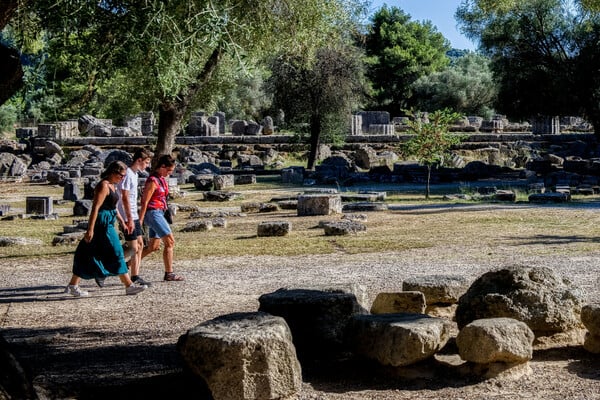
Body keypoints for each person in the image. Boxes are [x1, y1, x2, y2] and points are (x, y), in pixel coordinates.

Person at [66, 161, 148, 296]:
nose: (122, 178)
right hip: (102, 223)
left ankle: (73, 285)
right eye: (121, 175)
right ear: (113, 172)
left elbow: (114, 207)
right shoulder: (103, 186)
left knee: (89, 252)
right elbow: (95, 208)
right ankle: (129, 285)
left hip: (110, 220)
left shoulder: (113, 186)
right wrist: (90, 229)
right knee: (117, 251)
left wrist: (123, 221)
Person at [139, 154, 184, 281]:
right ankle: (169, 273)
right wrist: (140, 219)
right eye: (169, 170)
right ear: (162, 167)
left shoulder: (161, 179)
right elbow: (145, 201)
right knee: (170, 241)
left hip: (160, 212)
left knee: (153, 246)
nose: (170, 173)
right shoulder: (153, 180)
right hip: (153, 213)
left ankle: (128, 265)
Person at [116, 148, 152, 287]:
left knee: (140, 245)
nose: (147, 166)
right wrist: (129, 218)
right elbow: (124, 197)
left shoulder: (135, 174)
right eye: (146, 162)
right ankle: (109, 266)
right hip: (127, 215)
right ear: (139, 160)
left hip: (133, 215)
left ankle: (135, 275)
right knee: (133, 247)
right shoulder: (128, 174)